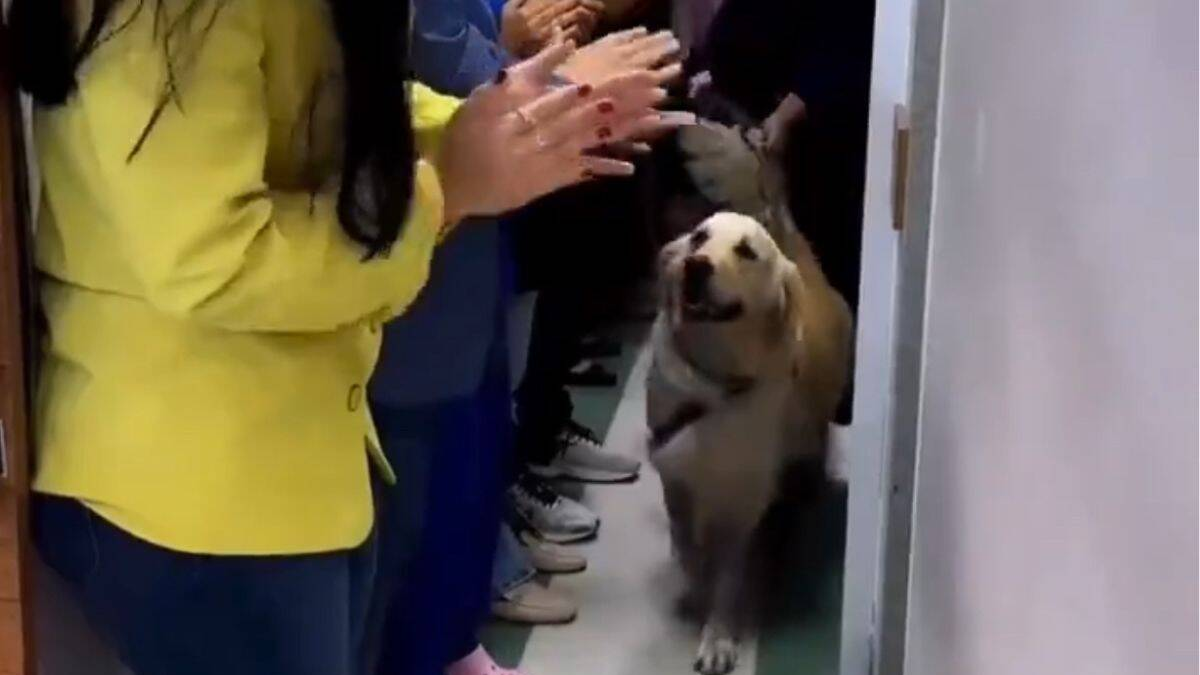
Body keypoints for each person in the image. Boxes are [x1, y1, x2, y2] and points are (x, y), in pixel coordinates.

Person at [11, 0, 683, 672]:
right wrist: (447, 188)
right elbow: (215, 259)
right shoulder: (177, 18)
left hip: (294, 466)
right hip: (202, 505)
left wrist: (501, 124)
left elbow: (319, 111)